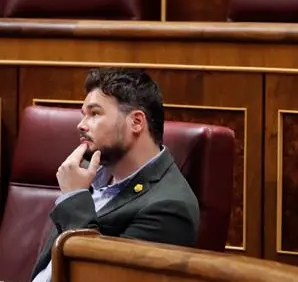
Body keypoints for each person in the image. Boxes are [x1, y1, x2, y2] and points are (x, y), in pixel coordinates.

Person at [31, 68, 199, 282]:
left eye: (94, 113)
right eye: (84, 114)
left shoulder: (170, 207)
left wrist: (73, 199)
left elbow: (98, 276)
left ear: (136, 122)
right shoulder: (86, 170)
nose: (81, 125)